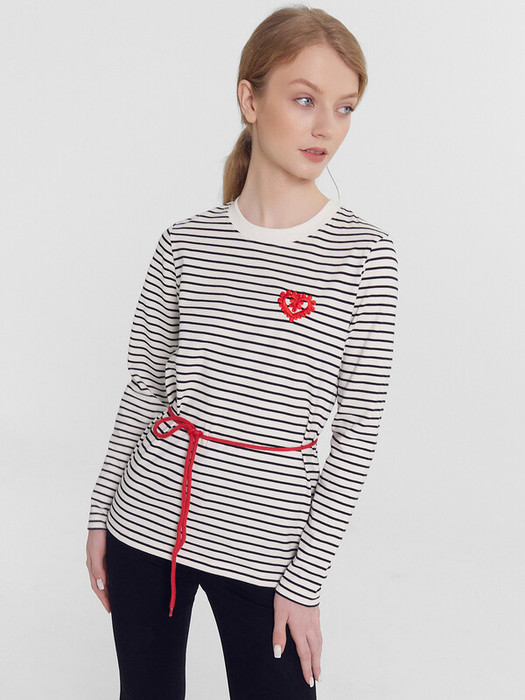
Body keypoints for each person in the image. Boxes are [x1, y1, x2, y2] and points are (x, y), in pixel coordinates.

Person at [85, 5, 399, 699]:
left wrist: (305, 581)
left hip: (270, 553)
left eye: (344, 107)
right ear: (249, 100)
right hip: (148, 525)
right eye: (304, 99)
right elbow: (144, 388)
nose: (326, 127)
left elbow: (356, 433)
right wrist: (100, 513)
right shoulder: (185, 243)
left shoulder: (365, 256)